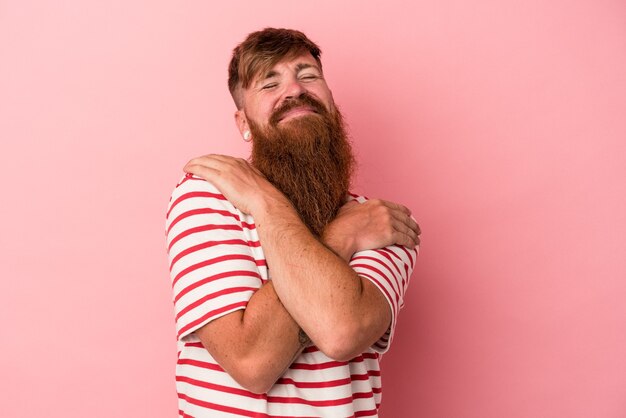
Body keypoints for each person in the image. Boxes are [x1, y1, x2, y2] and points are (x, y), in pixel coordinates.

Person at [165, 27, 421, 417]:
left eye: (308, 76)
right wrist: (335, 234)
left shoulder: (382, 221)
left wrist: (266, 206)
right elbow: (251, 363)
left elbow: (340, 330)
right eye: (269, 83)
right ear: (244, 123)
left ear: (332, 104)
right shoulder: (206, 197)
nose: (294, 90)